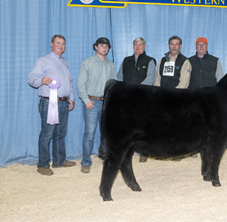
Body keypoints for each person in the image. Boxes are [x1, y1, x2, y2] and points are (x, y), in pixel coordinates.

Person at [28, 34, 76, 176]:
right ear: (51, 44)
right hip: (50, 101)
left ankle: (59, 160)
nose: (61, 46)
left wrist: (71, 98)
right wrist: (42, 79)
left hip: (64, 102)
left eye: (63, 44)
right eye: (58, 43)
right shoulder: (43, 60)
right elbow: (31, 78)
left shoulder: (65, 63)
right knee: (47, 134)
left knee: (60, 133)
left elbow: (70, 83)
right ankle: (43, 164)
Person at [77, 37, 116, 174]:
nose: (104, 48)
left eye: (106, 46)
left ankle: (106, 159)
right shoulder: (87, 63)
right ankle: (86, 161)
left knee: (107, 134)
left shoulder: (110, 64)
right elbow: (81, 84)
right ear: (95, 47)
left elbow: (113, 84)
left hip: (107, 103)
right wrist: (86, 100)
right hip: (92, 103)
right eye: (101, 45)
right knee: (89, 134)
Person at [117, 37, 156, 163]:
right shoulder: (126, 60)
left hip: (143, 98)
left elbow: (150, 79)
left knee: (144, 126)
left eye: (140, 45)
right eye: (135, 44)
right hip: (127, 99)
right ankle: (128, 150)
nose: (138, 47)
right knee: (128, 126)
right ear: (133, 46)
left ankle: (144, 151)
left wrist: (135, 91)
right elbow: (119, 77)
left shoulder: (150, 61)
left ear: (144, 46)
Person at [154, 36, 191, 161]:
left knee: (177, 127)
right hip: (163, 98)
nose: (174, 46)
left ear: (180, 46)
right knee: (163, 125)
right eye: (172, 44)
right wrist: (157, 95)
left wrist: (174, 97)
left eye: (176, 44)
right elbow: (158, 79)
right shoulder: (162, 60)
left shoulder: (185, 61)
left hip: (177, 99)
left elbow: (184, 83)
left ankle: (178, 152)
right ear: (168, 45)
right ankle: (164, 150)